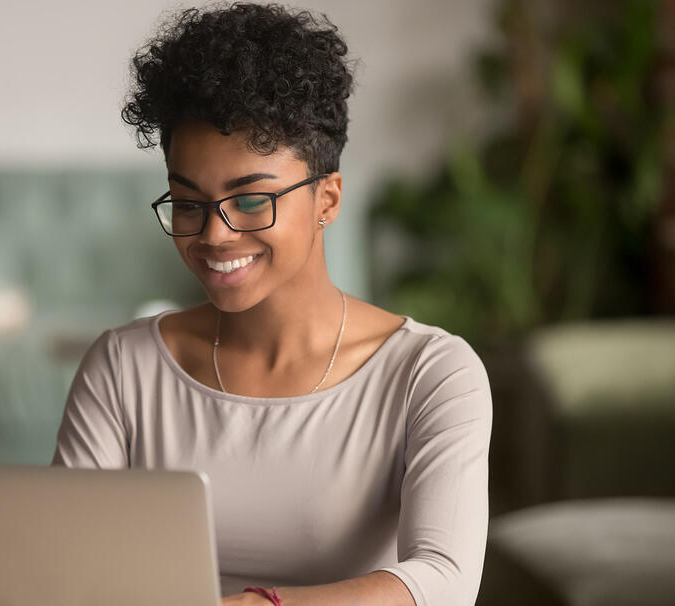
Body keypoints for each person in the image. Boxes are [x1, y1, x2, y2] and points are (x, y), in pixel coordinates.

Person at [51, 3, 493, 605]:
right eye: (188, 204)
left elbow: (444, 582)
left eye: (251, 200)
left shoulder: (431, 374)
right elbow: (64, 570)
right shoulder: (124, 370)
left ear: (327, 199)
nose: (213, 235)